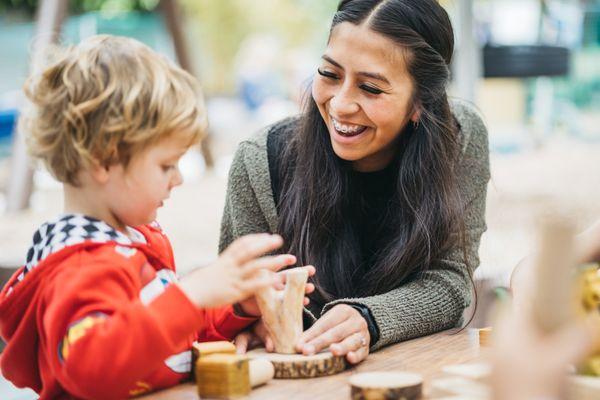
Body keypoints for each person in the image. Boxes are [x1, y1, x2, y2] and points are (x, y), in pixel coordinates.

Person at [0, 35, 313, 399]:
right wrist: (192, 295)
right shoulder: (80, 267)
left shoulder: (131, 241)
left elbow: (169, 341)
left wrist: (236, 308)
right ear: (104, 160)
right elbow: (91, 368)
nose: (177, 178)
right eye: (166, 165)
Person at [222, 0, 490, 364]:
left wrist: (371, 319)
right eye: (330, 74)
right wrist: (250, 318)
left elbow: (450, 282)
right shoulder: (258, 161)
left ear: (420, 104)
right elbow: (232, 298)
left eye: (371, 88)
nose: (341, 105)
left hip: (423, 365)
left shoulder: (460, 137)